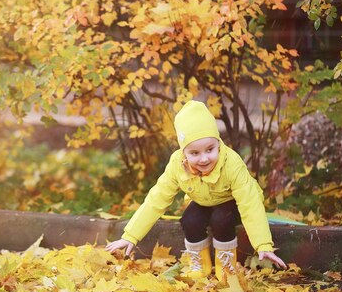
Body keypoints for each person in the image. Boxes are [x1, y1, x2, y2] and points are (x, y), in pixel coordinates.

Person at [106, 100, 287, 280]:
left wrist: (263, 244)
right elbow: (156, 199)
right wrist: (130, 236)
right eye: (194, 153)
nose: (204, 159)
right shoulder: (177, 165)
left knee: (221, 219)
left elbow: (250, 204)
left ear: (218, 143)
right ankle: (200, 266)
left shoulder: (231, 163)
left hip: (231, 201)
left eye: (210, 149)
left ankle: (226, 267)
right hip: (203, 200)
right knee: (190, 219)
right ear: (183, 152)